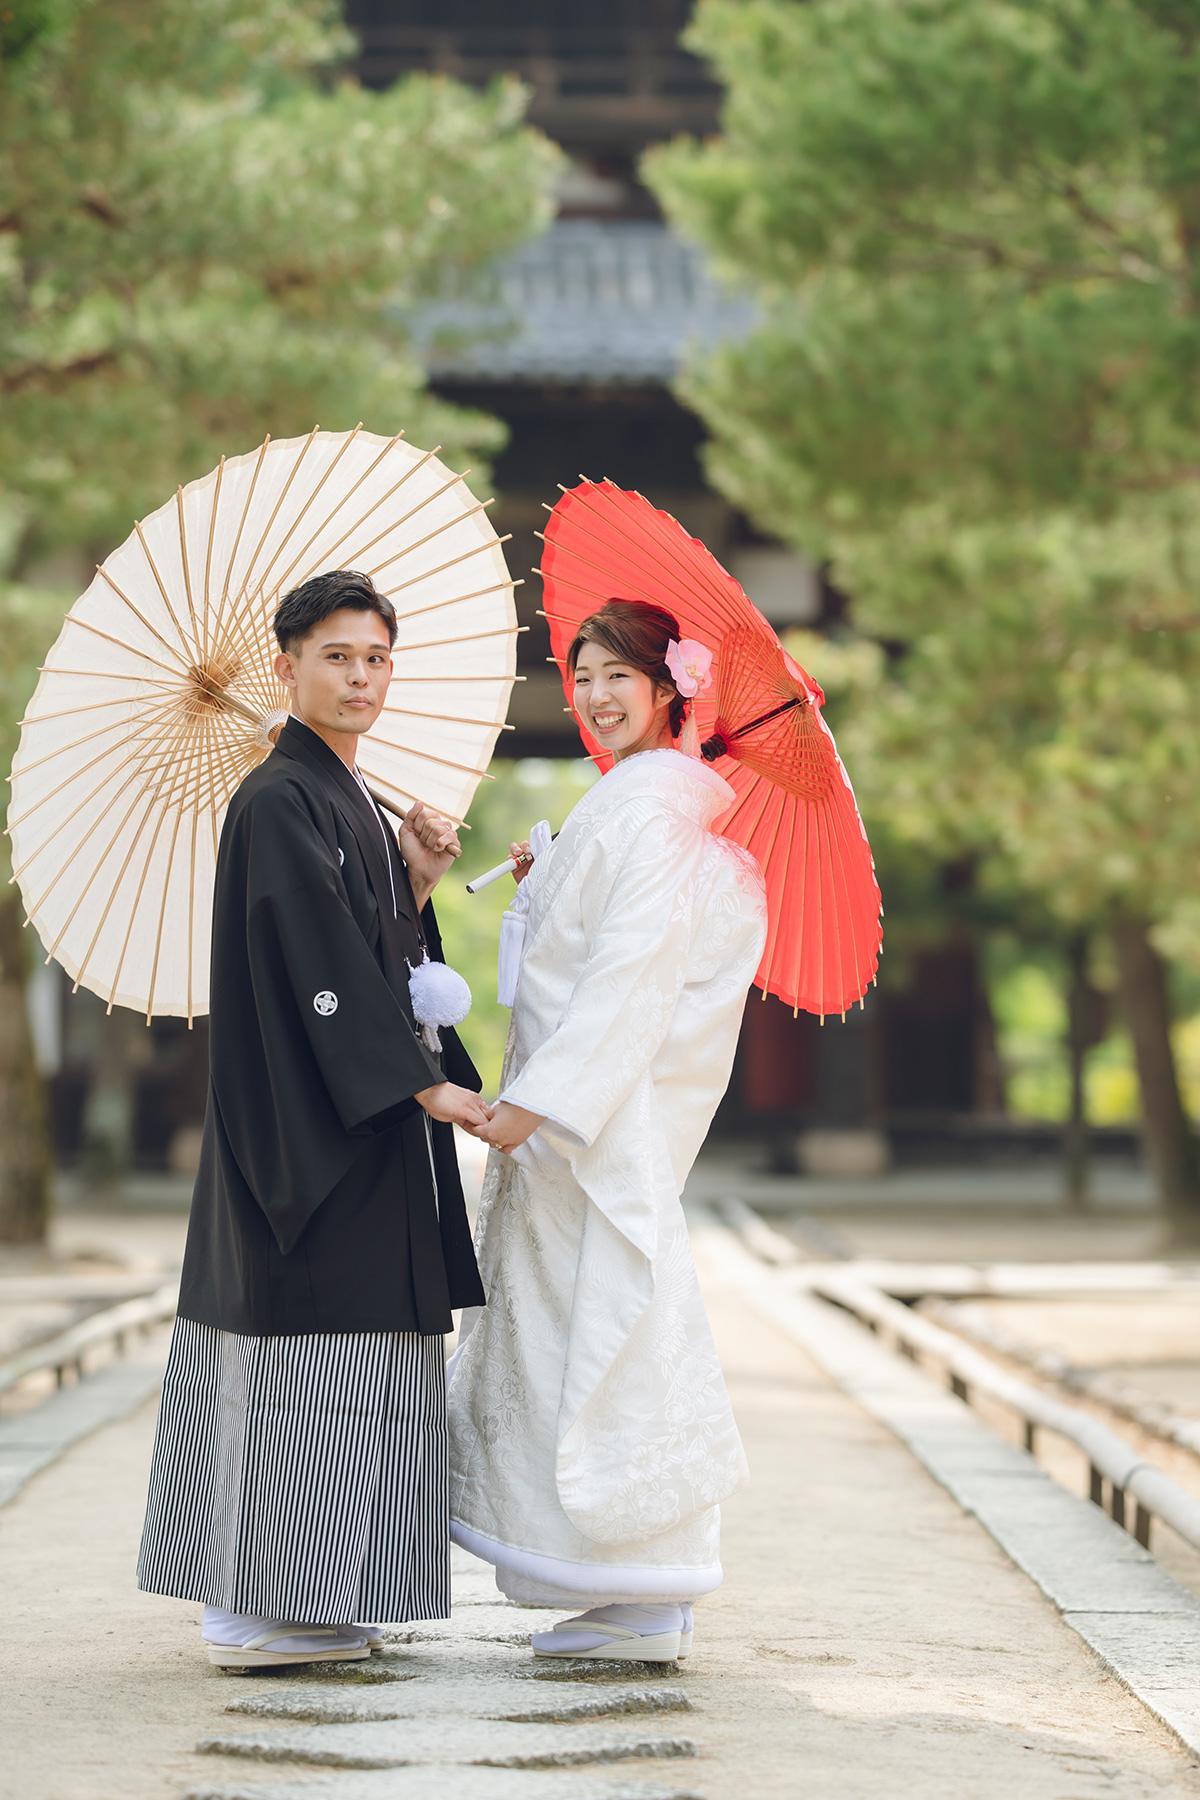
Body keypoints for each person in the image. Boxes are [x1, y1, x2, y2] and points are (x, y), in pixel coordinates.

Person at [137, 568, 491, 1669]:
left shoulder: (342, 798)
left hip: (361, 1128)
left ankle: (324, 1593)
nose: (360, 677)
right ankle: (246, 1604)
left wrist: (418, 883)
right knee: (301, 1362)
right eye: (337, 656)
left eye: (377, 658)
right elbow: (315, 969)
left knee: (361, 1370)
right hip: (307, 1132)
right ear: (285, 666)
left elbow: (376, 949)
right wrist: (420, 1082)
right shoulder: (278, 798)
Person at [447, 597, 768, 1663]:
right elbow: (583, 960)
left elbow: (630, 982)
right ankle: (624, 1583)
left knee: (608, 1337)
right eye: (581, 676)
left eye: (616, 676)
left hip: (591, 1128)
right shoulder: (631, 810)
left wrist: (532, 1107)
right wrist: (549, 888)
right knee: (574, 1338)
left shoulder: (649, 816)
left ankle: (645, 1587)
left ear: (672, 689)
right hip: (573, 1127)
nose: (592, 696)